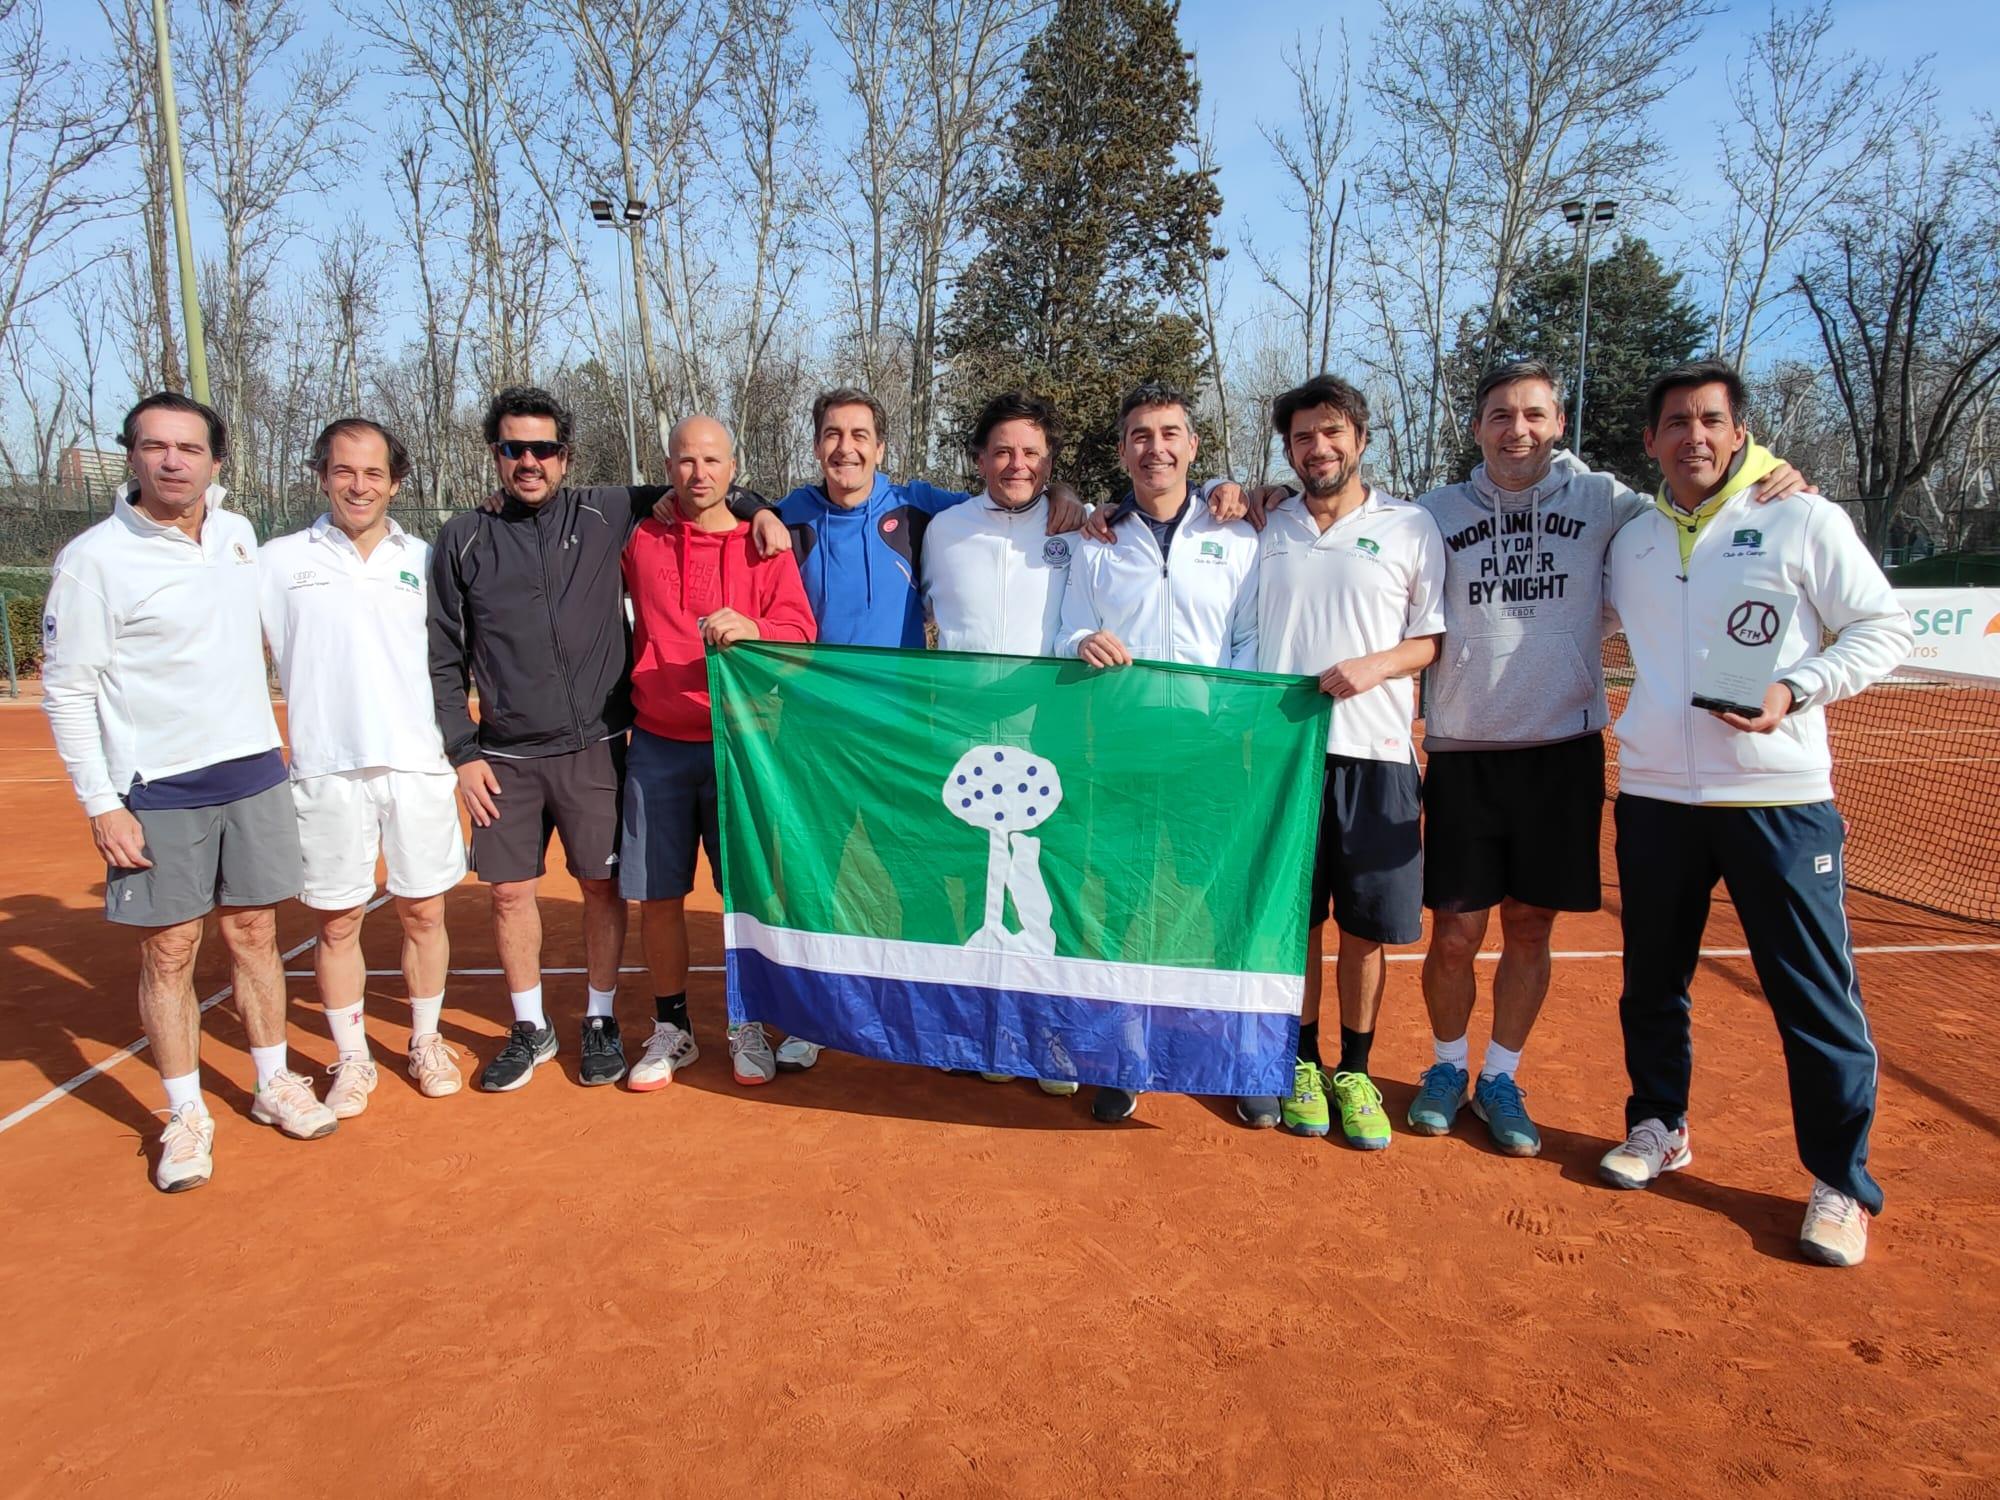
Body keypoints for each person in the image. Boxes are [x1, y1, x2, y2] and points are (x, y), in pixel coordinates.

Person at [1410, 360, 1808, 1156]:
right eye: (1498, 415)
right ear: (1476, 427)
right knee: (1453, 932)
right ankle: (1446, 1067)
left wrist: (1769, 471)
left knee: (1529, 927)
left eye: (1532, 414)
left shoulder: (1607, 502)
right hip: (1464, 751)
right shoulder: (1431, 513)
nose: (1515, 430)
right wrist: (1268, 497)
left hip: (1562, 754)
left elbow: (1703, 504)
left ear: (1559, 422)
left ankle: (1500, 1076)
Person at [1599, 359, 1909, 1268]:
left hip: (1778, 799)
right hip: (1656, 794)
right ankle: (1659, 1124)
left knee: (1811, 998)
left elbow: (1882, 628)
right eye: (1675, 423)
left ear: (1739, 433)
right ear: (1651, 441)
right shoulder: (1634, 539)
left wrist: (1795, 688)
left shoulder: (1802, 516)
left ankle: (1840, 1183)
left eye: (1710, 421)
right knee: (1652, 981)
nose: (1693, 436)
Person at [428, 385, 782, 1093]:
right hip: (528, 752)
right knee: (538, 896)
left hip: (629, 743)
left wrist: (760, 507)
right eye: (513, 448)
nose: (529, 461)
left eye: (544, 448)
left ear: (567, 455)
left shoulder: (612, 512)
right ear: (495, 454)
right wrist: (461, 750)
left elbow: (711, 496)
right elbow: (441, 652)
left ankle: (664, 1022)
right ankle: (566, 1027)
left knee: (636, 889)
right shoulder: (471, 535)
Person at [42, 392, 335, 1192]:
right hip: (157, 788)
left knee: (254, 935)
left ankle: (273, 1080)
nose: (172, 460)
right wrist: (102, 802)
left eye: (188, 448)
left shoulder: (239, 538)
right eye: (154, 446)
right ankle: (184, 1114)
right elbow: (67, 691)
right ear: (131, 455)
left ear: (216, 461)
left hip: (252, 771)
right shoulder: (93, 559)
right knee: (171, 950)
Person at [1057, 381, 1261, 1123]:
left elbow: (1249, 640)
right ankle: (1125, 1053)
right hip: (1122, 752)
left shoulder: (1238, 536)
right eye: (1141, 435)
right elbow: (1064, 629)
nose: (1156, 448)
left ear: (1194, 447)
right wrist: (1083, 640)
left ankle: (1234, 1056)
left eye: (1170, 434)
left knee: (1218, 905)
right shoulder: (1095, 539)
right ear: (1122, 451)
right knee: (1127, 902)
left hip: (1213, 757)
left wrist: (1229, 723)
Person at [1253, 375, 1443, 1148]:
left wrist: (1376, 665)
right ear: (1289, 449)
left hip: (1376, 758)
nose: (1318, 448)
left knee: (1365, 930)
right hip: (1283, 759)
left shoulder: (1411, 525)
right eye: (1302, 437)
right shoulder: (1266, 526)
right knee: (1296, 922)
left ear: (1360, 439)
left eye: (1332, 433)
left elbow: (1432, 637)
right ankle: (1299, 1062)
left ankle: (1355, 1070)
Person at [259, 418, 468, 1116]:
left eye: (373, 473)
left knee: (423, 912)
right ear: (323, 475)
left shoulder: (429, 558)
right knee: (337, 923)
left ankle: (425, 1040)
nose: (359, 485)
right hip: (325, 770)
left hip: (417, 764)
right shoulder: (277, 562)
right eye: (345, 471)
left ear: (395, 482)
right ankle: (351, 1059)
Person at [620, 415, 817, 1091]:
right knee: (660, 896)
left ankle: (748, 1024)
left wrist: (754, 626)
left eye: (711, 461)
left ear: (734, 469)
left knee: (745, 896)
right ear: (667, 466)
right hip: (656, 744)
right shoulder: (639, 538)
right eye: (684, 461)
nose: (698, 473)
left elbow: (800, 634)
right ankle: (672, 1027)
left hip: (743, 746)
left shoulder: (765, 546)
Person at [920, 389, 1083, 1097]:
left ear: (1049, 464)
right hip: (959, 736)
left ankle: (1045, 1030)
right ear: (979, 458)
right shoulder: (940, 527)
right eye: (1003, 451)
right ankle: (972, 1025)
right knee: (967, 888)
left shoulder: (1079, 525)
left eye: (1032, 454)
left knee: (1040, 887)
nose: (1017, 464)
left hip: (1049, 737)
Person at [774, 387, 1086, 648]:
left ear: (880, 449)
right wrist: (757, 511)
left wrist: (1058, 492)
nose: (846, 448)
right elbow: (729, 514)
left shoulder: (916, 506)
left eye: (859, 435)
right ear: (816, 446)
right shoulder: (789, 516)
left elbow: (1005, 502)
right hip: (815, 710)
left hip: (901, 713)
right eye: (832, 435)